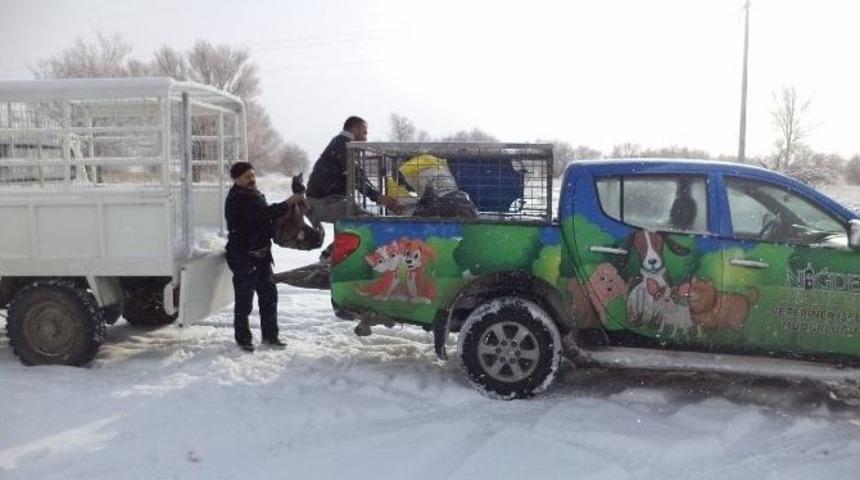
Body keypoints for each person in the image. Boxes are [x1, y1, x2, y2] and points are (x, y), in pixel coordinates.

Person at [225, 161, 305, 352]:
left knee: (269, 296)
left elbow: (265, 218)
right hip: (244, 256)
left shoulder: (253, 193)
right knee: (244, 300)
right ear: (236, 179)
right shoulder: (238, 197)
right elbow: (264, 214)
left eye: (253, 175)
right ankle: (243, 339)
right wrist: (288, 203)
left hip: (261, 255)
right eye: (247, 177)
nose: (252, 179)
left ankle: (270, 337)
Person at [306, 116, 403, 261]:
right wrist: (380, 198)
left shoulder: (343, 144)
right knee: (367, 222)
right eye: (364, 133)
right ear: (355, 129)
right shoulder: (343, 145)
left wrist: (378, 197)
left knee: (361, 219)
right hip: (322, 203)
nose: (365, 139)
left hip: (328, 201)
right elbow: (357, 177)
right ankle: (330, 256)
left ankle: (330, 254)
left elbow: (358, 176)